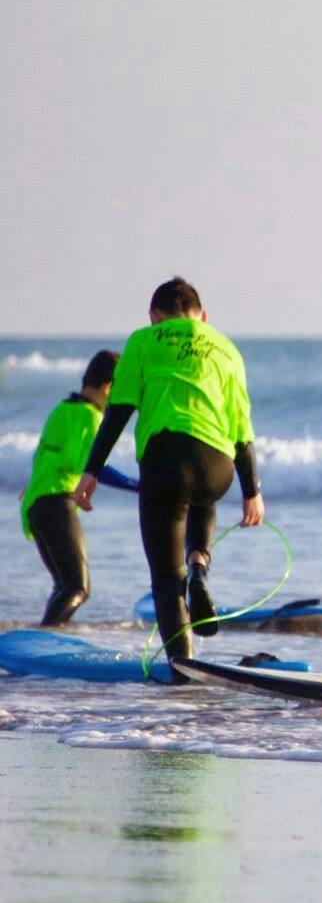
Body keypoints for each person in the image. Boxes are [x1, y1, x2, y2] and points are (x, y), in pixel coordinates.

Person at [73, 278, 264, 674]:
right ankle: (200, 564)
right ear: (203, 317)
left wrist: (91, 471)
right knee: (202, 498)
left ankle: (183, 668)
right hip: (218, 466)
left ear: (154, 317)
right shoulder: (227, 349)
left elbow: (118, 412)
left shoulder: (145, 340)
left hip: (165, 463)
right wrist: (252, 491)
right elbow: (242, 431)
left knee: (164, 577)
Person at [19, 350, 139, 624]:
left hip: (37, 506)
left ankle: (40, 638)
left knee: (64, 585)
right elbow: (95, 469)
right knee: (77, 587)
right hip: (56, 504)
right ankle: (44, 639)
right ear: (109, 388)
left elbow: (44, 457)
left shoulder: (61, 410)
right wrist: (141, 487)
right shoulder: (90, 417)